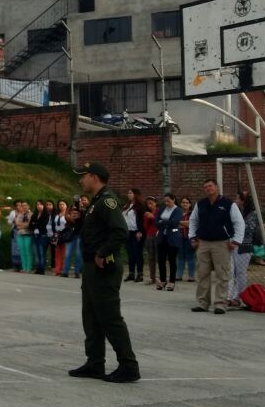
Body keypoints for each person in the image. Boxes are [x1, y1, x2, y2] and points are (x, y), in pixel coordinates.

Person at [69, 161, 139, 383]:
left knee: (109, 317)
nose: (81, 180)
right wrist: (78, 221)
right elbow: (95, 232)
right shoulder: (95, 203)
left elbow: (120, 231)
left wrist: (102, 252)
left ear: (95, 177)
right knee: (91, 317)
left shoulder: (107, 201)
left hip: (103, 266)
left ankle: (128, 365)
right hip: (92, 267)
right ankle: (95, 362)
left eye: (84, 176)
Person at [187, 179, 244, 315]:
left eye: (210, 186)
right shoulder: (200, 204)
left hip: (222, 243)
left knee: (222, 274)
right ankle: (202, 303)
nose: (208, 188)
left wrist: (236, 241)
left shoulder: (228, 204)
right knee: (202, 274)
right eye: (205, 187)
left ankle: (220, 304)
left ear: (217, 187)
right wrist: (192, 237)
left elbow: (239, 223)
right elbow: (193, 221)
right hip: (203, 243)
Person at [154, 193, 183, 291]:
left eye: (168, 201)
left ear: (173, 199)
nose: (166, 203)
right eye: (165, 201)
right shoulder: (162, 209)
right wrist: (164, 223)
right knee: (161, 260)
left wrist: (162, 222)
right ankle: (163, 280)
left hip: (173, 238)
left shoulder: (178, 210)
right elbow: (156, 222)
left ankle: (172, 281)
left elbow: (175, 222)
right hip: (162, 237)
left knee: (172, 260)